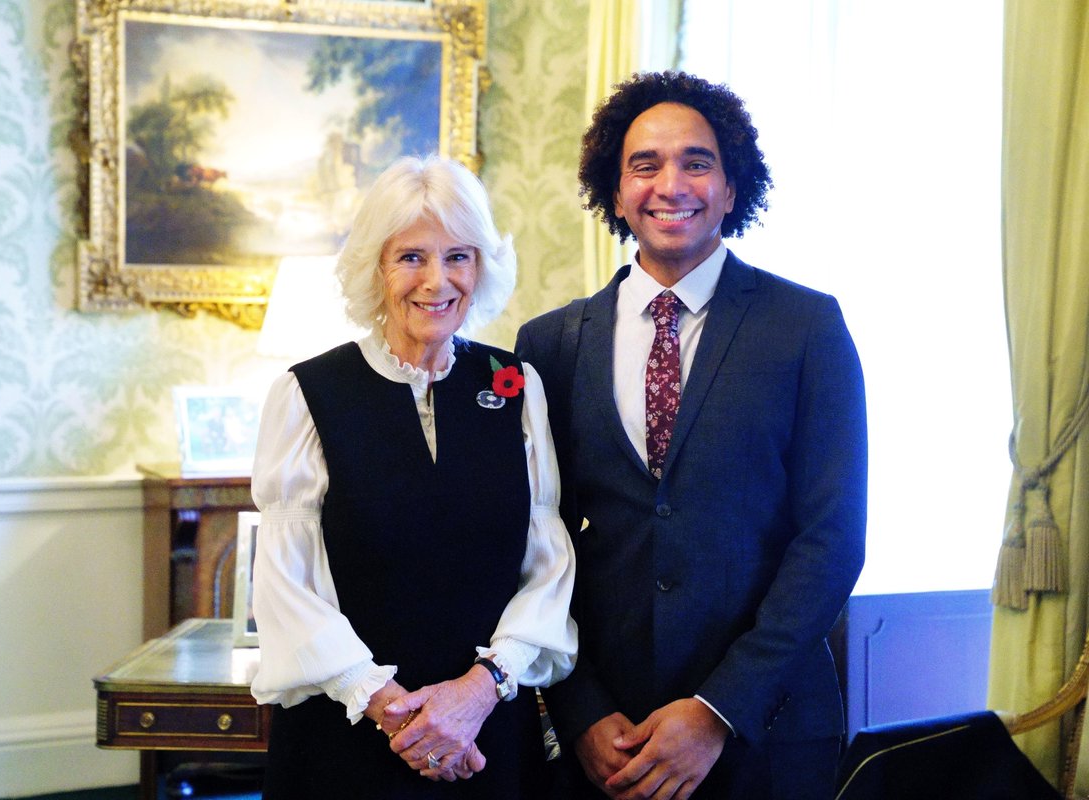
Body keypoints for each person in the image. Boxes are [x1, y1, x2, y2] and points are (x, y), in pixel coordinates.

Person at [515, 71, 868, 800]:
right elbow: (534, 538)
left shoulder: (807, 328)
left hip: (766, 731)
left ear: (733, 189)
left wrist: (717, 711)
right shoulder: (548, 344)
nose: (670, 183)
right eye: (644, 164)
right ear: (614, 193)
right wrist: (579, 709)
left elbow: (832, 538)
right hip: (606, 742)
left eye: (696, 162)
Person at [249, 154, 578, 800]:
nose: (437, 280)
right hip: (347, 742)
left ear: (481, 267)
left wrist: (478, 693)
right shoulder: (307, 394)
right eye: (411, 258)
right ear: (376, 267)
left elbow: (548, 567)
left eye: (458, 256)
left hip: (487, 736)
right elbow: (287, 588)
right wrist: (401, 716)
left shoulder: (515, 387)